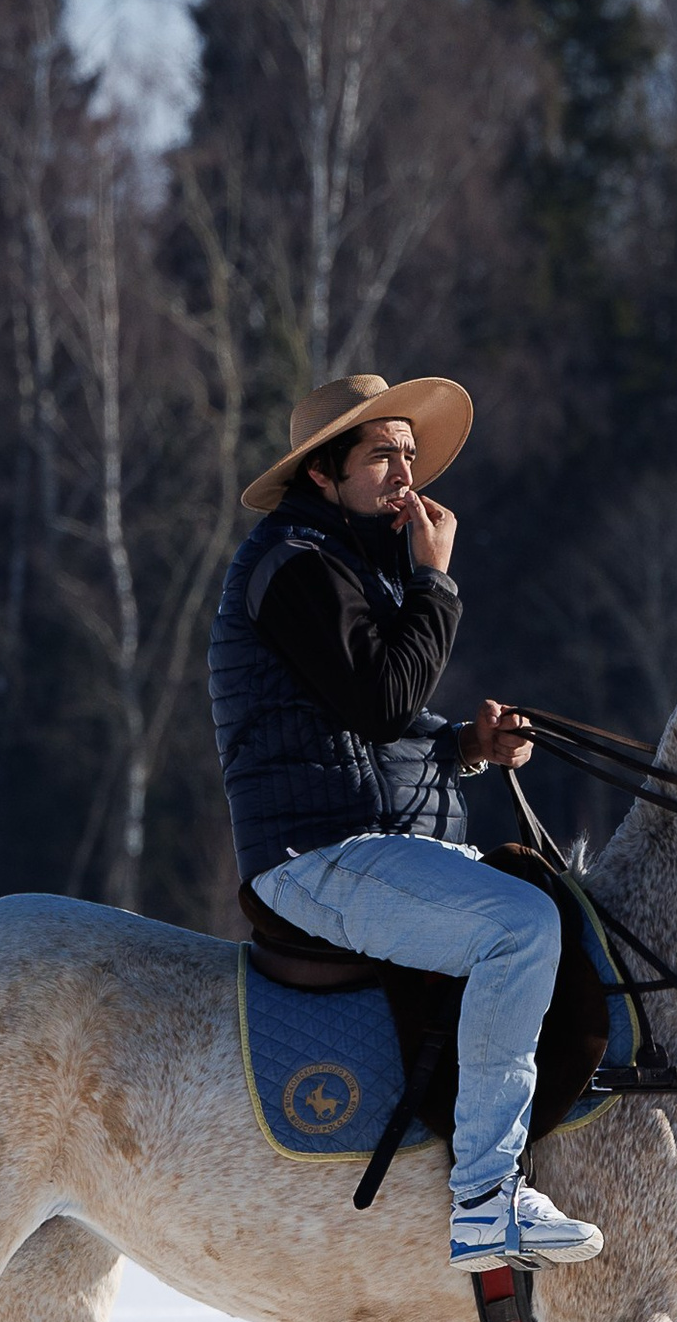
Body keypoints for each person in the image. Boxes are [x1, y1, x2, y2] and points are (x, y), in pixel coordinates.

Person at [208, 373, 603, 1273]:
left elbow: (368, 724)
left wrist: (466, 745)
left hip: (367, 842)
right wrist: (436, 583)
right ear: (322, 473)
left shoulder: (345, 564)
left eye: (410, 455)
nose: (405, 475)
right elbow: (383, 701)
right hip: (316, 856)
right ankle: (485, 1201)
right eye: (382, 455)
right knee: (519, 928)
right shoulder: (295, 565)